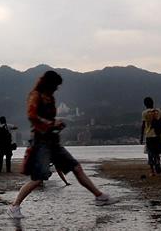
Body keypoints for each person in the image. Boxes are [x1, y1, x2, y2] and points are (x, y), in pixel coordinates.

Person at [7, 70, 115, 220]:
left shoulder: (50, 98)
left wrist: (56, 125)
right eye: (55, 85)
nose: (57, 88)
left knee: (76, 168)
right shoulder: (35, 95)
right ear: (49, 83)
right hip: (40, 143)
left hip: (53, 141)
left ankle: (99, 196)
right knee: (38, 179)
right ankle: (15, 206)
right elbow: (32, 116)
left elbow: (45, 119)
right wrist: (52, 123)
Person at [140, 97, 161, 175]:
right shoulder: (158, 111)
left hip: (149, 135)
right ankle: (158, 162)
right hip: (159, 135)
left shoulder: (144, 113)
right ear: (153, 102)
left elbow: (143, 125)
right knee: (158, 151)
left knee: (150, 152)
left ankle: (152, 171)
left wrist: (141, 136)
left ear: (145, 104)